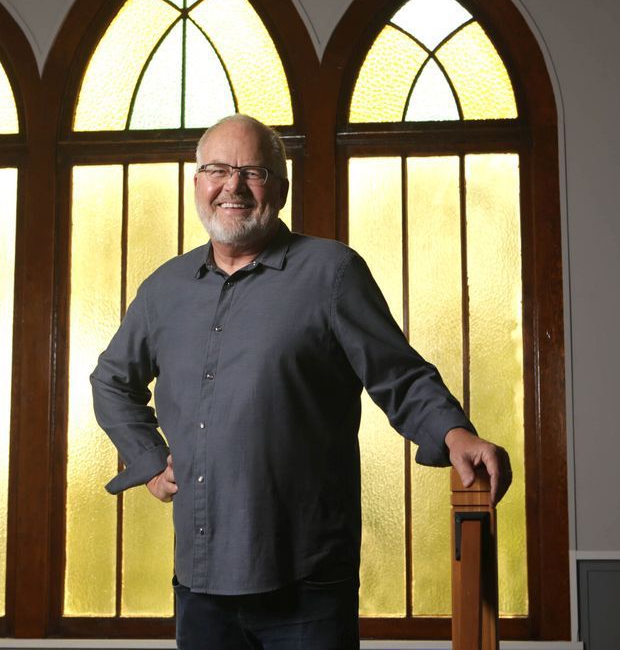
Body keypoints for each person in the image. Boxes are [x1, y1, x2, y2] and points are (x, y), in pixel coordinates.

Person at [91, 114, 512, 650]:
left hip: (308, 584)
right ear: (197, 184)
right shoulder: (163, 289)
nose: (233, 187)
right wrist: (149, 460)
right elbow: (111, 380)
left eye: (254, 172)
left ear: (282, 189)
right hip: (201, 582)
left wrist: (457, 435)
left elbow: (400, 377)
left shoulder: (332, 273)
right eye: (217, 170)